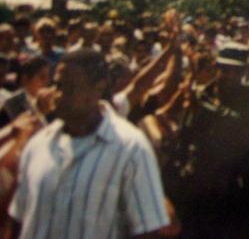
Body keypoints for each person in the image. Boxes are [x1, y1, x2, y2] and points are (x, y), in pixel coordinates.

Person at [8, 48, 170, 239]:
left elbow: (149, 230)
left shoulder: (130, 149)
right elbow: (18, 220)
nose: (58, 95)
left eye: (70, 88)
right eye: (57, 85)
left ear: (98, 89)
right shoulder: (38, 145)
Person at [162, 42, 249, 239]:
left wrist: (207, 108)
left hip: (230, 184)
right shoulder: (205, 94)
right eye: (225, 70)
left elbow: (242, 126)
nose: (230, 76)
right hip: (197, 182)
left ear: (244, 71)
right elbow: (187, 134)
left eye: (236, 71)